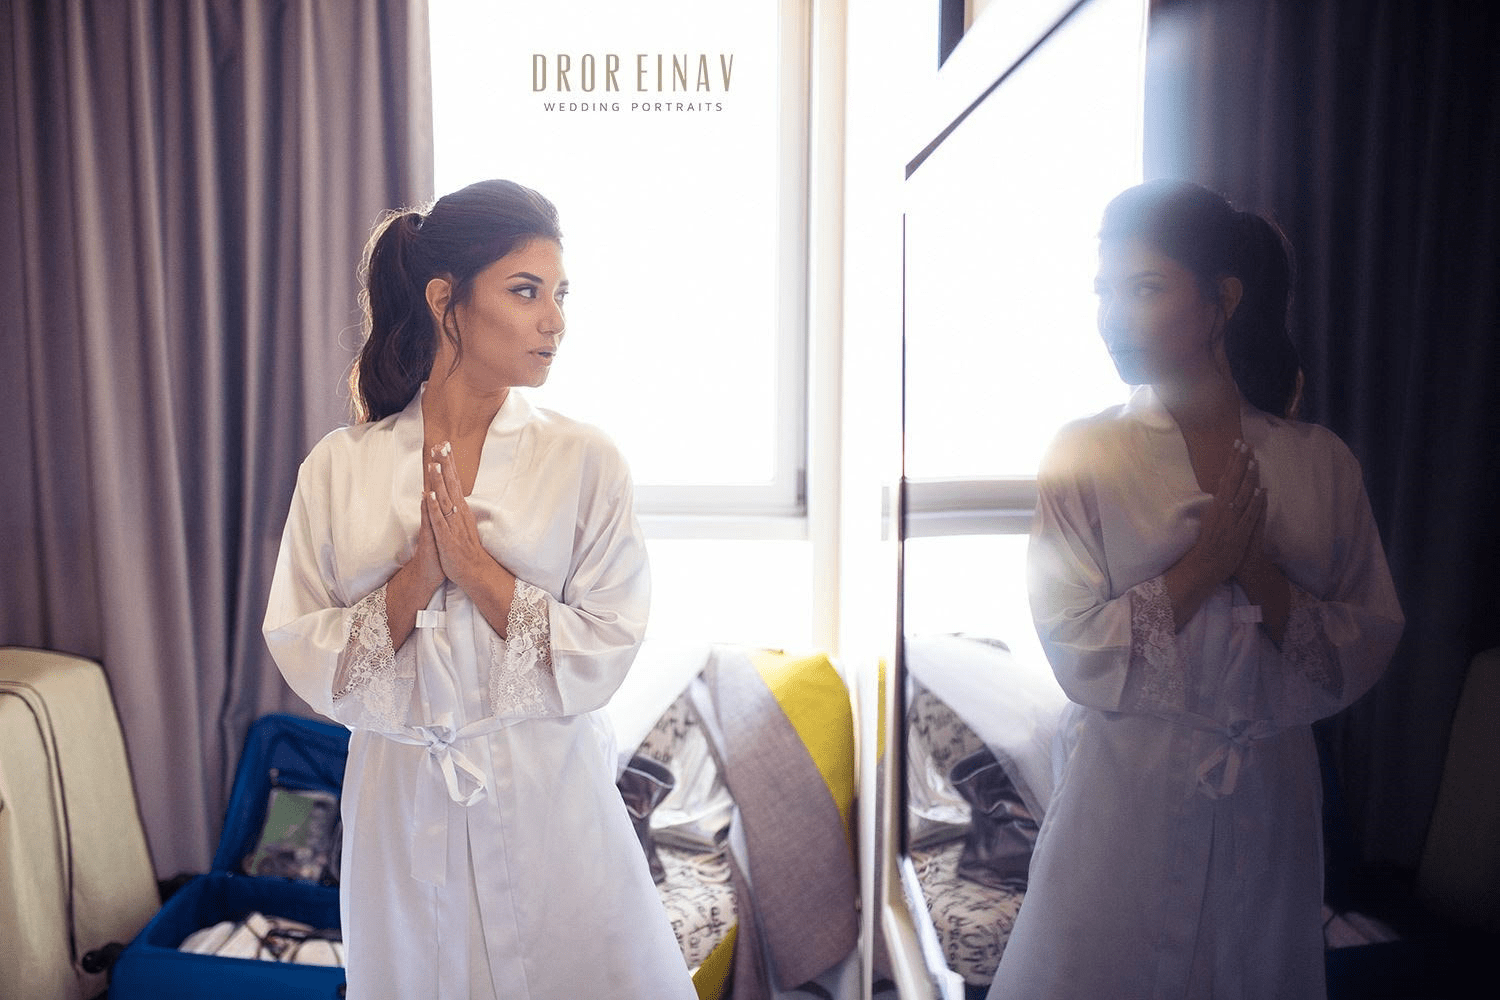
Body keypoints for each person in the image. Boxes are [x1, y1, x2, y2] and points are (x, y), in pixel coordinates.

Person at [263, 179, 696, 1000]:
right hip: (400, 807)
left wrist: (480, 573)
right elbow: (302, 641)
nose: (554, 320)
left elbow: (609, 643)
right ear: (445, 301)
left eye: (561, 294)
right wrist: (417, 577)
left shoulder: (584, 460)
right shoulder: (341, 467)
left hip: (549, 804)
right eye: (526, 291)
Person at [989, 180, 1404, 999]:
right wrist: (1202, 567)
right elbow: (1072, 641)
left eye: (1144, 289)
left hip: (1269, 801)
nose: (1113, 316)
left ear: (1224, 301)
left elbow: (1365, 637)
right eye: (1104, 291)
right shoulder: (1085, 454)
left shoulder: (1319, 463)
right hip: (1123, 803)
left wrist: (1263, 580)